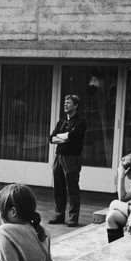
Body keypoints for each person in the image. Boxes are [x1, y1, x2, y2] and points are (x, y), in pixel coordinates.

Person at [49, 94, 87, 227]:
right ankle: (59, 214)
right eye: (65, 102)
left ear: (76, 105)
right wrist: (65, 137)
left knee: (72, 188)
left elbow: (73, 136)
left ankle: (73, 217)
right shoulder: (61, 122)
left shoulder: (80, 122)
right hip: (58, 157)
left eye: (68, 103)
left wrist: (64, 137)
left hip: (71, 158)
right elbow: (51, 138)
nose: (65, 104)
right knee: (58, 187)